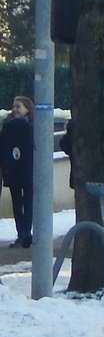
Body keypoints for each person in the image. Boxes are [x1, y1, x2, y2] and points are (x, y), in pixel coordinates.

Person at [3, 96, 34, 248]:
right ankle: (21, 233)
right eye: (14, 106)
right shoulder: (8, 125)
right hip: (14, 170)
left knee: (28, 201)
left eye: (18, 106)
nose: (15, 109)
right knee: (17, 202)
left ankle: (26, 232)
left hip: (27, 169)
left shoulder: (33, 125)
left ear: (27, 109)